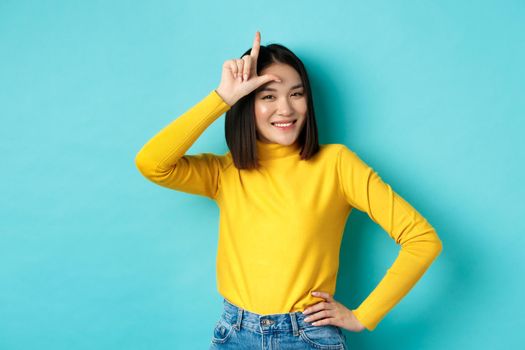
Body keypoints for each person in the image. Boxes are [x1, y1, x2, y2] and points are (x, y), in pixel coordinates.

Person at [134, 31, 443, 349]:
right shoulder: (224, 172)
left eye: (296, 94)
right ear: (247, 103)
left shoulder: (336, 164)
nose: (286, 108)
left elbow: (421, 239)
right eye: (268, 96)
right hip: (234, 333)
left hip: (306, 337)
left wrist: (364, 315)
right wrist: (223, 98)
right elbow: (151, 163)